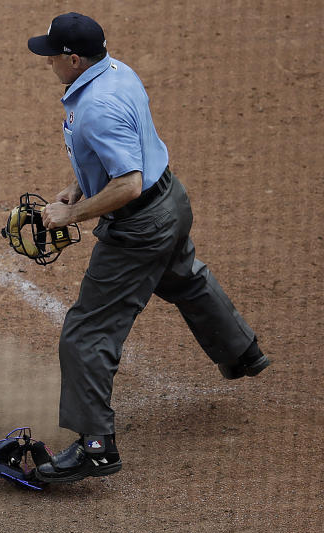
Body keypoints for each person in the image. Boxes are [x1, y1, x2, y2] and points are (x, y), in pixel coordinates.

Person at [24, 13, 269, 483]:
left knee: (87, 332)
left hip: (139, 225)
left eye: (53, 55)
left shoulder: (95, 107)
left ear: (74, 59)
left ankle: (96, 446)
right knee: (182, 275)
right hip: (171, 201)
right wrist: (79, 186)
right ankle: (241, 352)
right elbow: (123, 153)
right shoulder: (118, 72)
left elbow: (129, 184)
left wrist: (71, 215)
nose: (48, 61)